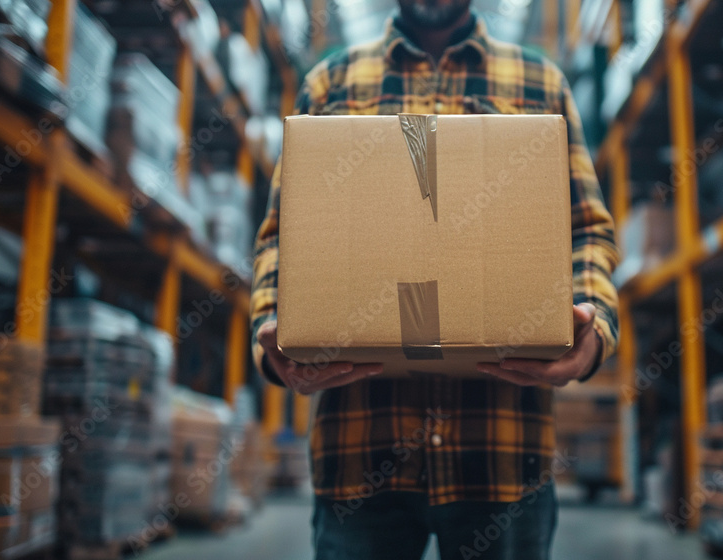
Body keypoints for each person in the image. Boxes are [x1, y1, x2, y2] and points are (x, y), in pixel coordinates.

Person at [251, 0, 619, 557]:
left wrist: (593, 334)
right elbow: (282, 236)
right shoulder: (330, 82)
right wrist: (275, 333)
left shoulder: (540, 81)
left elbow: (588, 230)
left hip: (501, 455)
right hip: (360, 453)